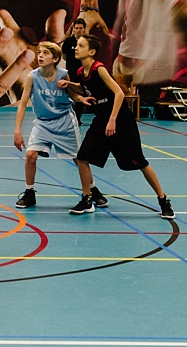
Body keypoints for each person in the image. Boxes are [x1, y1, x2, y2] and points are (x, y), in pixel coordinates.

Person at [70, 35, 174, 219]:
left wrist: (112, 120)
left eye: (80, 45)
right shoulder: (80, 72)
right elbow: (84, 87)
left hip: (121, 121)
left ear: (92, 52)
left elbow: (118, 93)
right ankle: (86, 199)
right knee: (82, 157)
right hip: (101, 120)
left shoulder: (99, 68)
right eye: (76, 45)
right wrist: (70, 85)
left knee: (140, 162)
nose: (76, 48)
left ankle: (163, 199)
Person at [13, 41, 108, 212]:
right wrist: (17, 130)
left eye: (45, 53)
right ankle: (29, 192)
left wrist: (81, 99)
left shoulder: (64, 75)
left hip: (64, 121)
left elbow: (72, 94)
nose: (40, 55)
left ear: (55, 58)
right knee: (30, 155)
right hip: (42, 122)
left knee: (79, 159)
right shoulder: (32, 77)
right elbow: (22, 104)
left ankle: (92, 190)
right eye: (39, 52)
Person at [61, 17, 87, 123]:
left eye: (80, 28)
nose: (78, 30)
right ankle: (68, 118)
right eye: (76, 28)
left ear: (84, 29)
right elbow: (64, 56)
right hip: (71, 72)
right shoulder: (68, 42)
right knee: (70, 95)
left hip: (83, 73)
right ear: (73, 28)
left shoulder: (87, 41)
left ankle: (77, 118)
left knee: (81, 94)